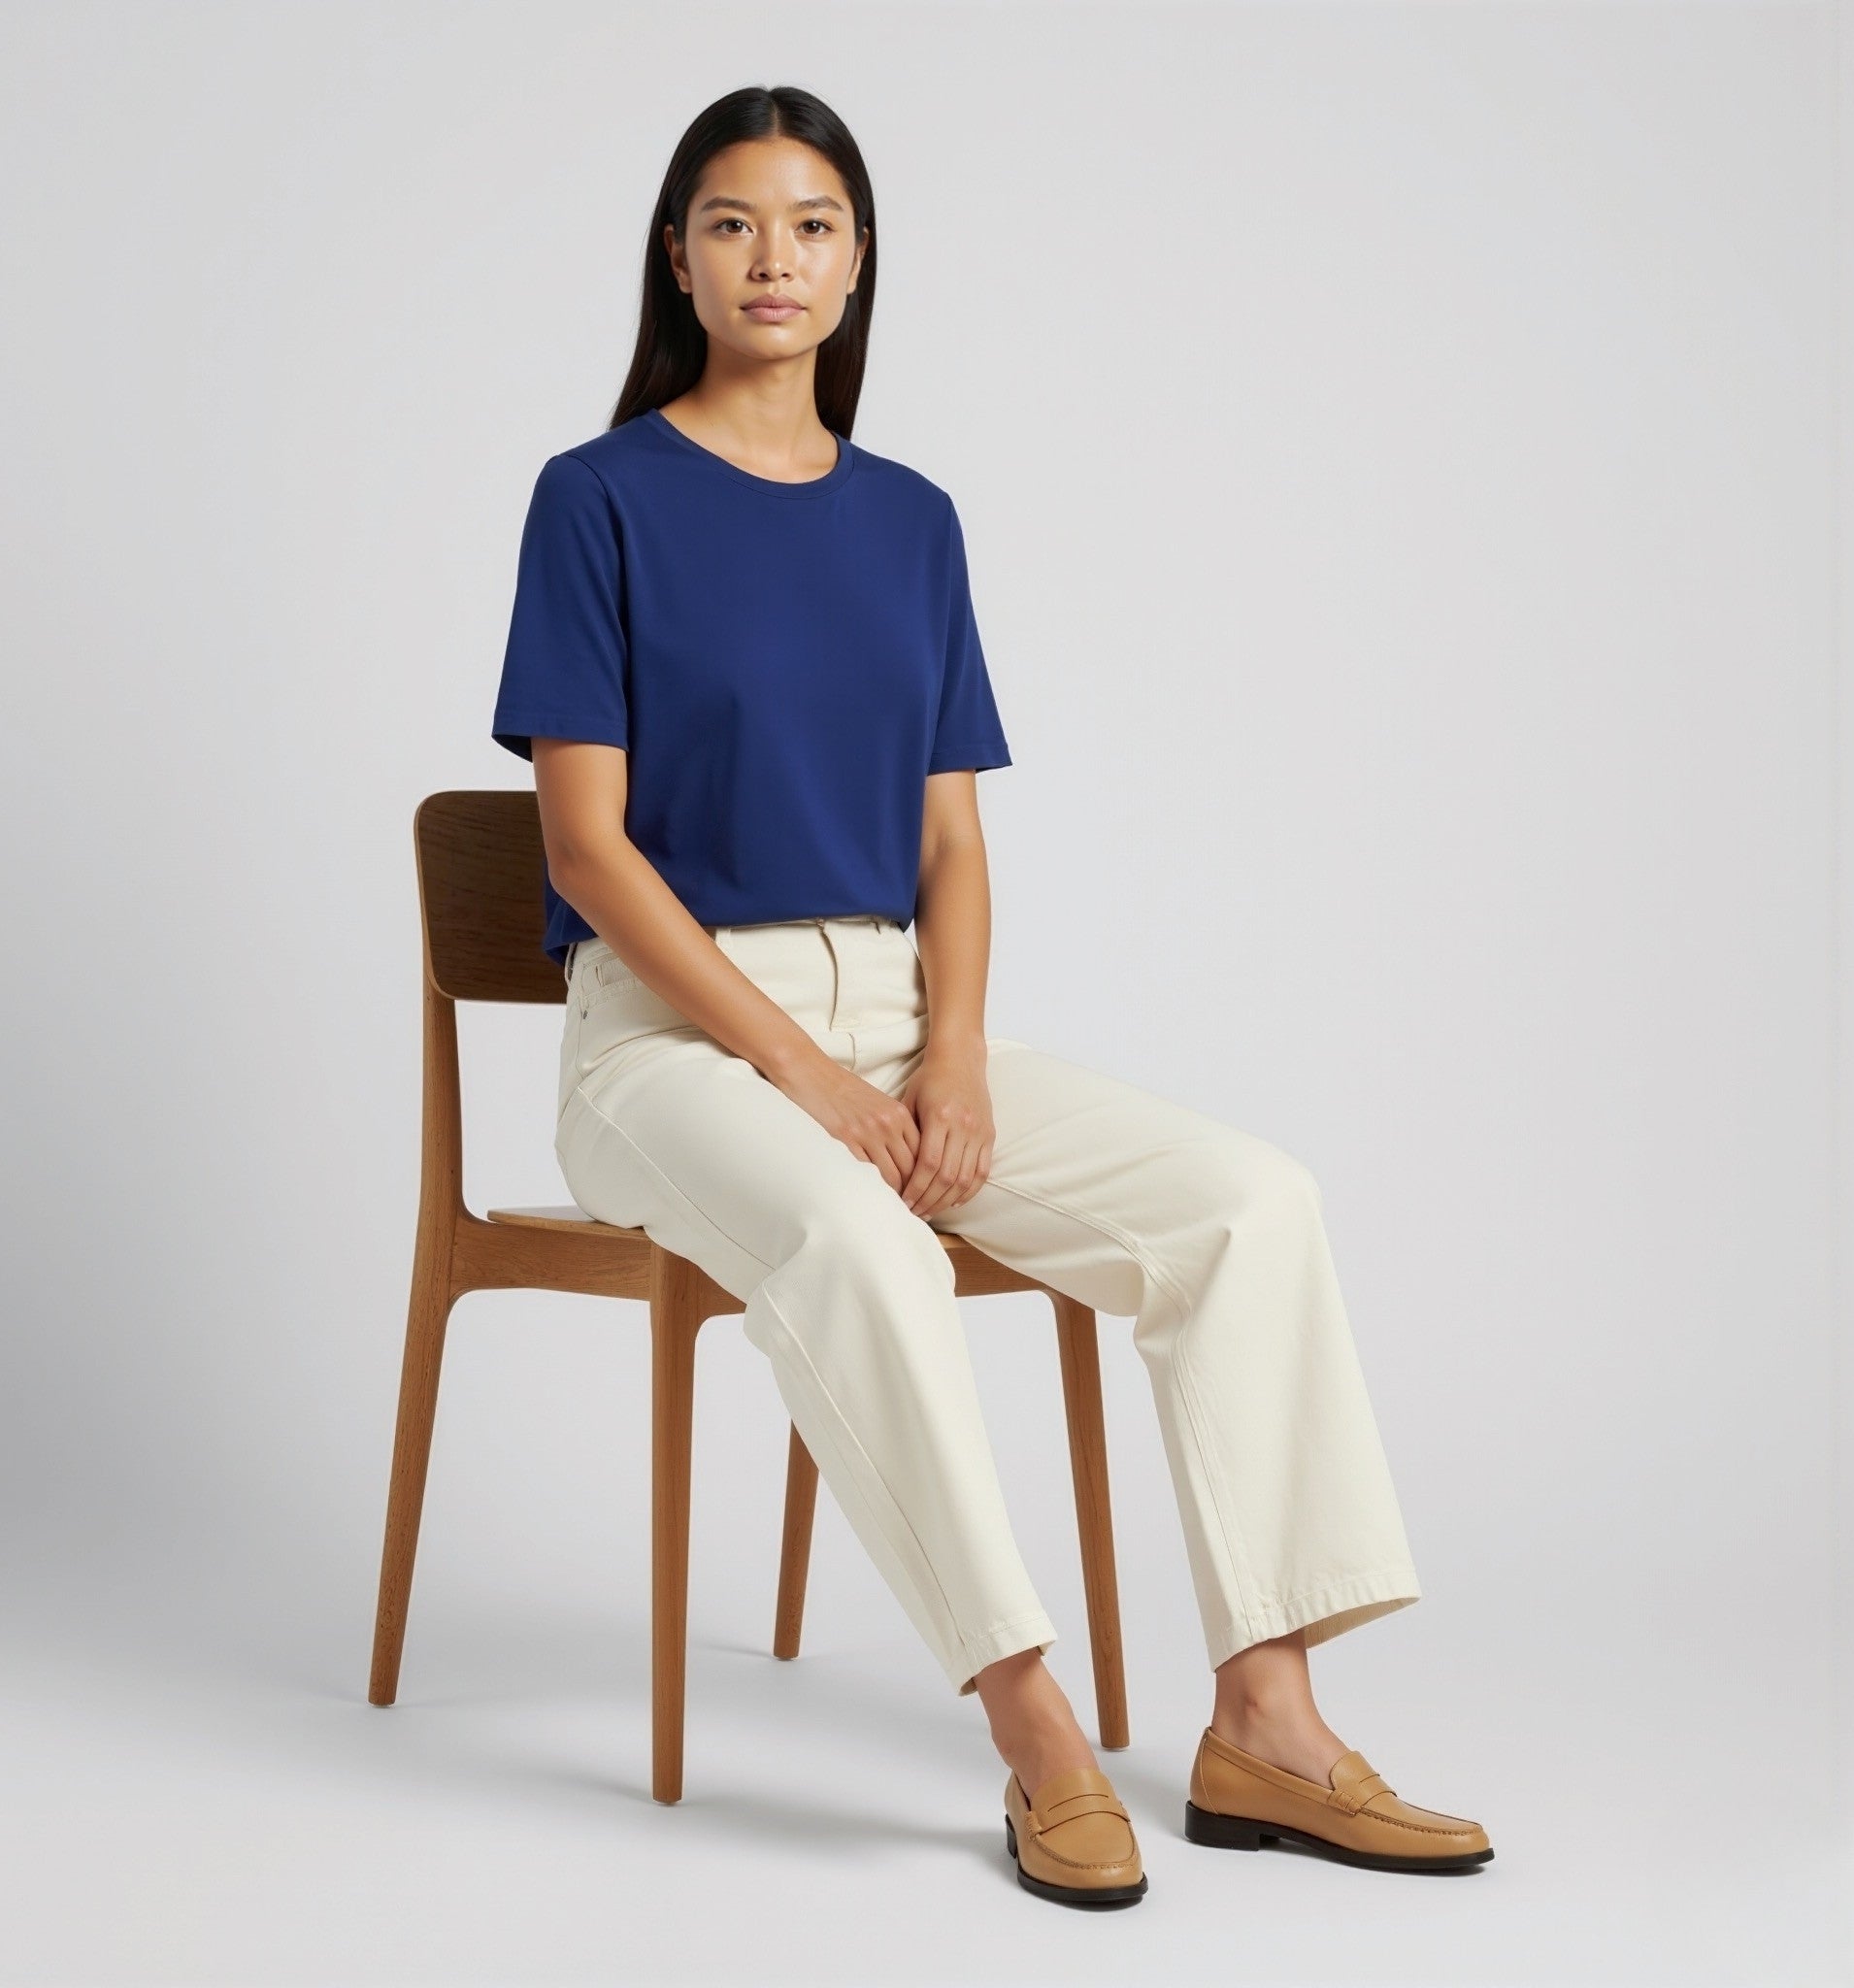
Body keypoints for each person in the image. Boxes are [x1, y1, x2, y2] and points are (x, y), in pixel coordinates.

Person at [490, 83, 1491, 1906]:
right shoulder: (598, 497)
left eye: (810, 224)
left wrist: (949, 1060)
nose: (772, 258)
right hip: (669, 1054)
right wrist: (808, 1079)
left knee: (1246, 1206)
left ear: (859, 260)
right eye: (732, 222)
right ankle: (1033, 1726)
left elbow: (949, 847)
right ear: (678, 258)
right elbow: (584, 853)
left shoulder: (913, 520)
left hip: (895, 1020)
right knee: (862, 1248)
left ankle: (1267, 1719)